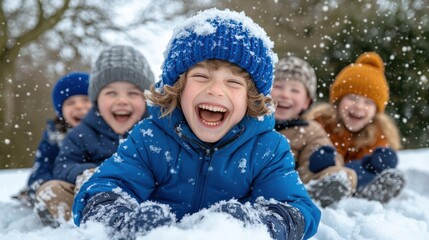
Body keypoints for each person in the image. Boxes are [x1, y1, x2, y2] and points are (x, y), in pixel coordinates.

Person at [72, 8, 320, 240]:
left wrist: (258, 225)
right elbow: (105, 189)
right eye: (201, 77)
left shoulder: (267, 149)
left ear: (251, 98)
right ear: (178, 89)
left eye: (233, 83)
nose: (215, 91)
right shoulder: (149, 139)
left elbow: (298, 208)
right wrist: (125, 223)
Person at [33, 45, 155, 227]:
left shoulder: (153, 131)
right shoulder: (81, 134)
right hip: (90, 194)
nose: (122, 100)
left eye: (132, 93)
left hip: (142, 193)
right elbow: (63, 165)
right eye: (111, 93)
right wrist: (89, 172)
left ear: (146, 99)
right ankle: (80, 224)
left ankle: (140, 221)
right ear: (97, 100)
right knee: (51, 190)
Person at [307, 52, 405, 203]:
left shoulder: (380, 132)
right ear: (338, 101)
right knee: (322, 160)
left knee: (380, 162)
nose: (359, 106)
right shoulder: (320, 122)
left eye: (368, 103)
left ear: (376, 110)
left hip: (357, 177)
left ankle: (368, 189)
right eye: (352, 98)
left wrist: (376, 163)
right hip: (322, 175)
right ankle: (329, 187)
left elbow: (371, 164)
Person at [272, 56, 357, 207]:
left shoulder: (310, 130)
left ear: (307, 101)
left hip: (290, 185)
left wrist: (322, 161)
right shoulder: (250, 122)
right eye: (278, 86)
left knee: (345, 174)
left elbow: (322, 149)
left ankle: (320, 191)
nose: (285, 94)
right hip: (249, 180)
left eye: (295, 90)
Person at [12, 72, 91, 206]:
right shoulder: (54, 138)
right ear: (61, 111)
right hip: (66, 186)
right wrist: (41, 185)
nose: (78, 106)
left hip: (98, 183)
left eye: (85, 100)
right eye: (71, 102)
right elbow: (43, 167)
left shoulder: (109, 133)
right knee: (49, 191)